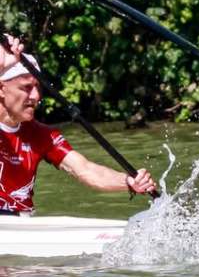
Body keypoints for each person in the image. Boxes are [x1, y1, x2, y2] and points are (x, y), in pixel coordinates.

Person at [0, 45, 157, 214]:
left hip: (19, 226)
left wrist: (128, 181)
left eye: (37, 87)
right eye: (26, 88)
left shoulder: (42, 135)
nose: (36, 96)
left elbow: (85, 169)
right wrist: (5, 63)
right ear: (2, 88)